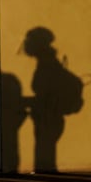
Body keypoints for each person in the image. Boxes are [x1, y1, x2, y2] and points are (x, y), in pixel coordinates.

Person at [22, 27, 65, 173]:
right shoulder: (47, 62)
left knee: (45, 157)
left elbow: (46, 94)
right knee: (46, 155)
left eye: (30, 41)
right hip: (47, 116)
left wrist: (26, 102)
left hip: (48, 116)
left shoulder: (47, 64)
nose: (26, 45)